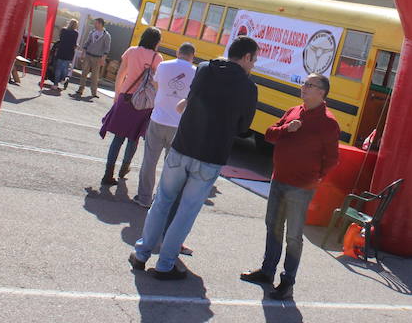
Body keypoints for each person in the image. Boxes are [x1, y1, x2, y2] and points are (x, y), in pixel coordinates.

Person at [129, 36, 258, 280]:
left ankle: (142, 253)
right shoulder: (249, 87)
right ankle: (166, 264)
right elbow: (243, 127)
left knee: (162, 202)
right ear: (247, 57)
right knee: (186, 211)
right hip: (211, 155)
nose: (254, 65)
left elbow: (192, 97)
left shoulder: (205, 69)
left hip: (183, 145)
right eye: (254, 59)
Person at [240, 73, 339, 301]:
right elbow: (269, 134)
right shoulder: (293, 111)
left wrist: (316, 178)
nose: (303, 88)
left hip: (301, 187)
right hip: (279, 180)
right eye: (304, 84)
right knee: (273, 226)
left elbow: (332, 158)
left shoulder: (328, 123)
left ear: (321, 92)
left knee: (293, 236)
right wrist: (287, 129)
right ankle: (267, 271)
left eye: (309, 85)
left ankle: (287, 282)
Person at [133, 42, 197, 209]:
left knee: (150, 160)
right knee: (172, 166)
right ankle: (161, 199)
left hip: (158, 118)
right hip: (178, 124)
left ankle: (144, 197)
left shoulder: (163, 65)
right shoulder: (195, 72)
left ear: (178, 52)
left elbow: (156, 84)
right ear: (192, 56)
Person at [100, 28, 163, 185]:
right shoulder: (157, 57)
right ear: (156, 41)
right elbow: (156, 83)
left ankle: (108, 173)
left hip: (126, 97)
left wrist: (117, 94)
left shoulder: (131, 51)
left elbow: (121, 74)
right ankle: (124, 169)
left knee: (118, 138)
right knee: (133, 138)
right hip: (143, 103)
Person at [74, 17, 111, 99]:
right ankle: (80, 89)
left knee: (95, 76)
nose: (94, 24)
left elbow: (106, 48)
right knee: (84, 72)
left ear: (100, 24)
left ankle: (94, 92)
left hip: (98, 57)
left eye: (96, 23)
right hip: (88, 55)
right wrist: (83, 53)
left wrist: (103, 59)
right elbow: (87, 43)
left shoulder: (106, 35)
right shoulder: (92, 32)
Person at [52, 19, 79, 91]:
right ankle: (63, 79)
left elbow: (60, 39)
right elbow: (74, 44)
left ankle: (55, 84)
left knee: (58, 68)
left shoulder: (63, 30)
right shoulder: (75, 33)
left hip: (61, 51)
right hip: (69, 52)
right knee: (65, 68)